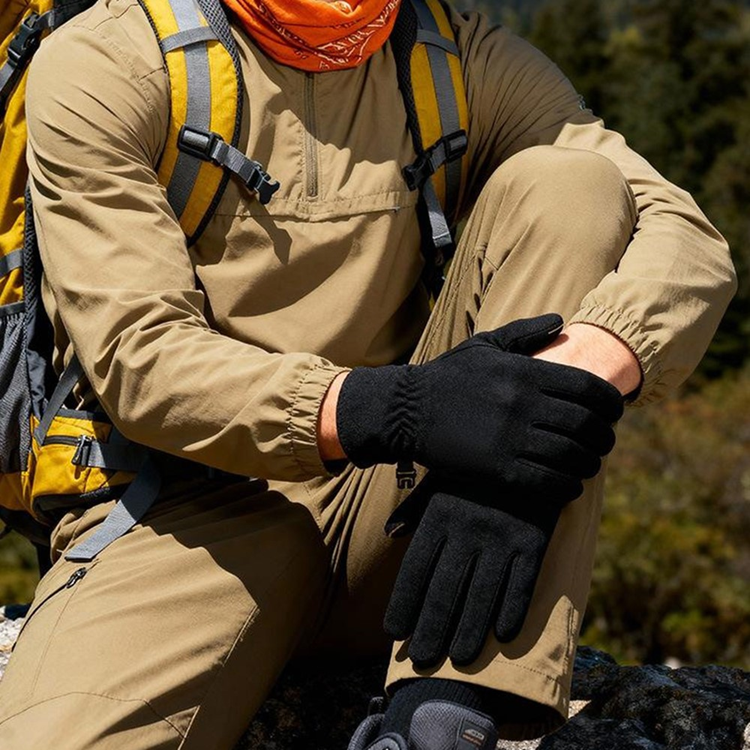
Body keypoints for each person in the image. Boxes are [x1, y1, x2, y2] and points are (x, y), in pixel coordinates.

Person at [0, 0, 736, 747]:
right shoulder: (112, 59)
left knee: (573, 188)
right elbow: (142, 360)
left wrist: (553, 393)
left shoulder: (454, 54)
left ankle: (443, 715)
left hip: (404, 508)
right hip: (182, 514)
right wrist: (403, 407)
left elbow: (679, 232)